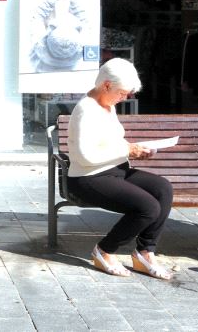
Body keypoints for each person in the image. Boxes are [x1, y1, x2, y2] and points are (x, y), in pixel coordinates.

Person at [68, 58, 174, 280]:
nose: (124, 98)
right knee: (148, 207)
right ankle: (105, 251)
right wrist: (127, 152)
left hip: (115, 170)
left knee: (162, 188)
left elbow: (112, 142)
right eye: (122, 93)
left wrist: (137, 149)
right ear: (106, 85)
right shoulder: (85, 110)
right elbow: (84, 156)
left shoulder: (108, 105)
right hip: (89, 177)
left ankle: (145, 252)